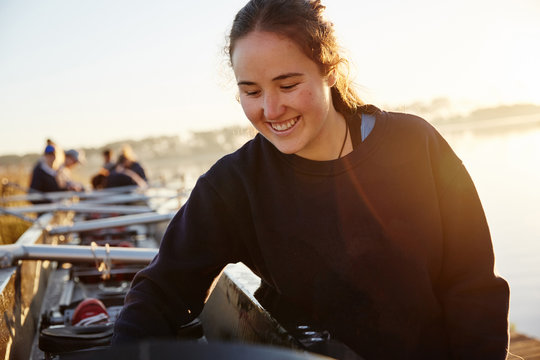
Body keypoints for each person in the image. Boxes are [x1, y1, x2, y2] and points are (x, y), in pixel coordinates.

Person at [113, 0, 509, 358]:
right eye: (250, 92)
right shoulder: (233, 185)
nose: (270, 109)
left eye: (288, 85)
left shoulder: (415, 144)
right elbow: (161, 291)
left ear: (330, 71)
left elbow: (472, 284)